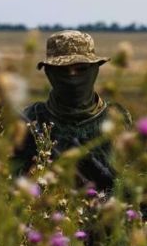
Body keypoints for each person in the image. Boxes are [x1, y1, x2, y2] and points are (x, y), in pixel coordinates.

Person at [12, 30, 121, 193]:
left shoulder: (117, 118)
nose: (72, 77)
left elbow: (136, 178)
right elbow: (10, 181)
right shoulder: (30, 120)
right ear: (49, 72)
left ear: (95, 70)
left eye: (81, 69)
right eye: (62, 71)